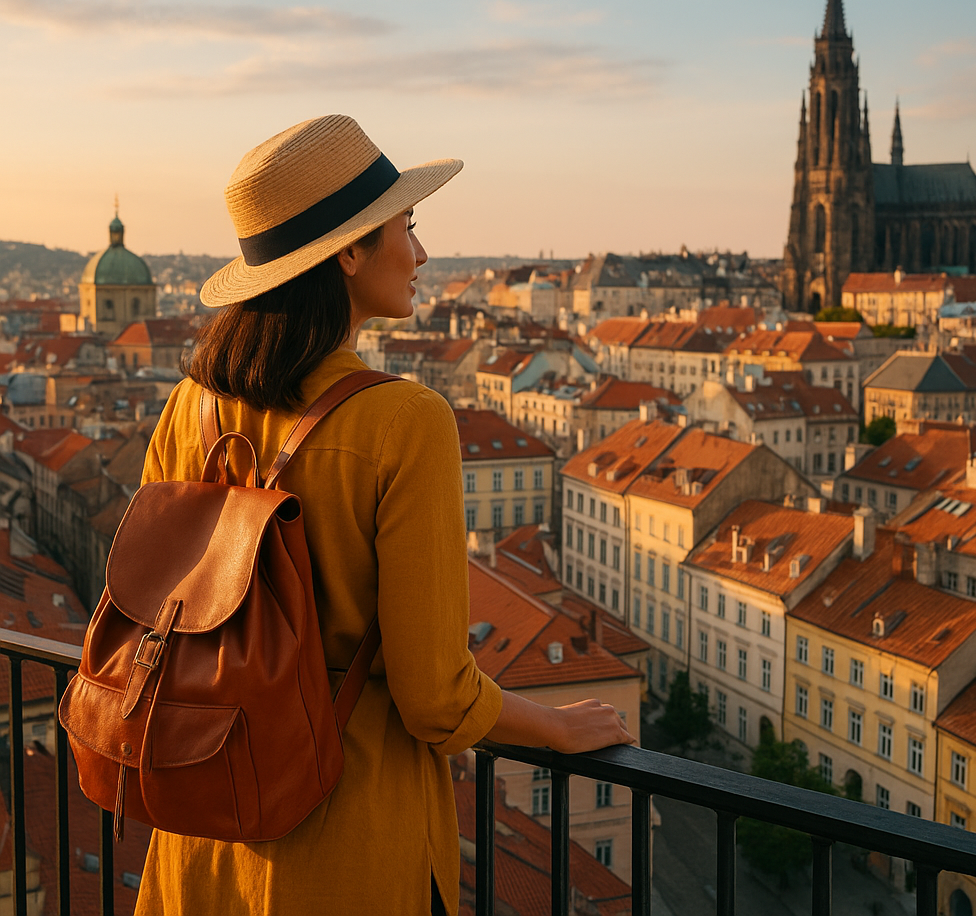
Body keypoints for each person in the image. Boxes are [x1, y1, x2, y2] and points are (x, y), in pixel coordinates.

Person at [133, 115, 634, 916]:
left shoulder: (191, 407)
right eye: (408, 226)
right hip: (340, 831)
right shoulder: (404, 420)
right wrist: (552, 726)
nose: (424, 254)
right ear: (349, 252)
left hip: (201, 820)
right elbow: (434, 696)